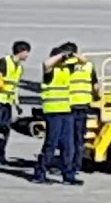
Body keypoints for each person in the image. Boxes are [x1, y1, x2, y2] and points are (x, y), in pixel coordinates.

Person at [30, 46, 82, 185]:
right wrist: (60, 56)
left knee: (68, 146)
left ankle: (68, 175)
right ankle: (39, 174)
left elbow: (84, 61)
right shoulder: (50, 72)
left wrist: (71, 54)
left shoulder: (67, 70)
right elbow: (46, 64)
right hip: (53, 113)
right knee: (50, 144)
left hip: (66, 112)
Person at [61, 42, 97, 175]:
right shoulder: (88, 66)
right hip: (83, 107)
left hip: (68, 107)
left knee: (67, 139)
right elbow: (96, 86)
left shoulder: (65, 66)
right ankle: (76, 166)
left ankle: (67, 165)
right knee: (79, 139)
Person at [0, 40, 30, 165]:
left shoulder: (19, 68)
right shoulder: (5, 62)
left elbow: (14, 87)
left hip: (8, 102)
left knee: (5, 131)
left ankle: (0, 156)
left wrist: (17, 104)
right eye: (27, 53)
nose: (27, 56)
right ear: (21, 52)